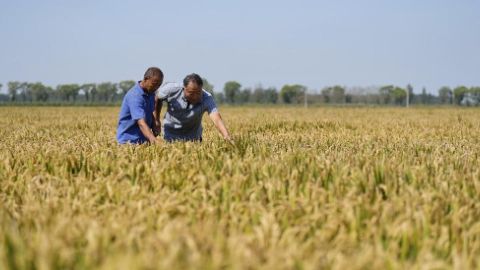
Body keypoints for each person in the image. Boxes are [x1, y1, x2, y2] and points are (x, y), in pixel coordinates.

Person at [154, 73, 232, 143]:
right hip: (170, 136)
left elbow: (216, 118)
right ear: (183, 89)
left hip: (193, 139)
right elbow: (158, 97)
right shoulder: (171, 90)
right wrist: (156, 119)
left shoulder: (207, 98)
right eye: (191, 93)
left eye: (198, 92)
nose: (195, 97)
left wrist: (226, 135)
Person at [116, 67, 164, 144]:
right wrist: (154, 141)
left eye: (159, 85)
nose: (156, 88)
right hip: (129, 142)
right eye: (154, 84)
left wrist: (154, 124)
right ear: (146, 79)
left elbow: (148, 111)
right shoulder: (135, 97)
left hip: (143, 141)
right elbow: (141, 123)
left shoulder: (150, 92)